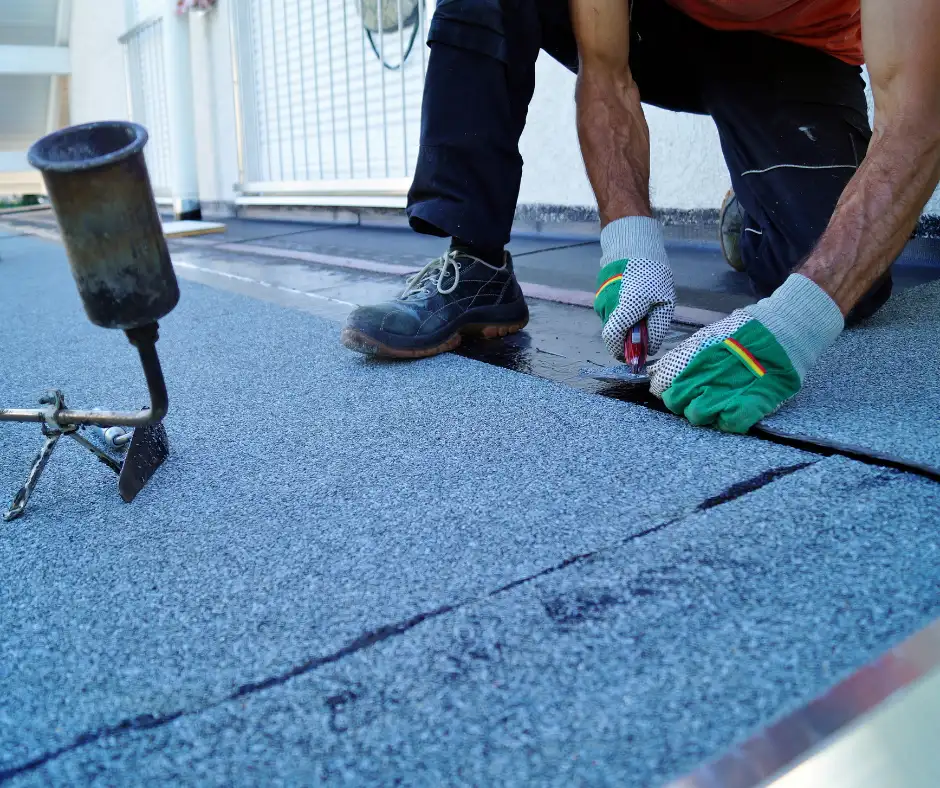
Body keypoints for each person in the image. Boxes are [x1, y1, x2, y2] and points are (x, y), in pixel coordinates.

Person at [341, 0, 940, 433]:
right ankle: (475, 262)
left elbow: (919, 115)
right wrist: (629, 240)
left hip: (792, 49)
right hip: (657, 21)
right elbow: (605, 69)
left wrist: (799, 319)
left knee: (851, 291)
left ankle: (754, 214)